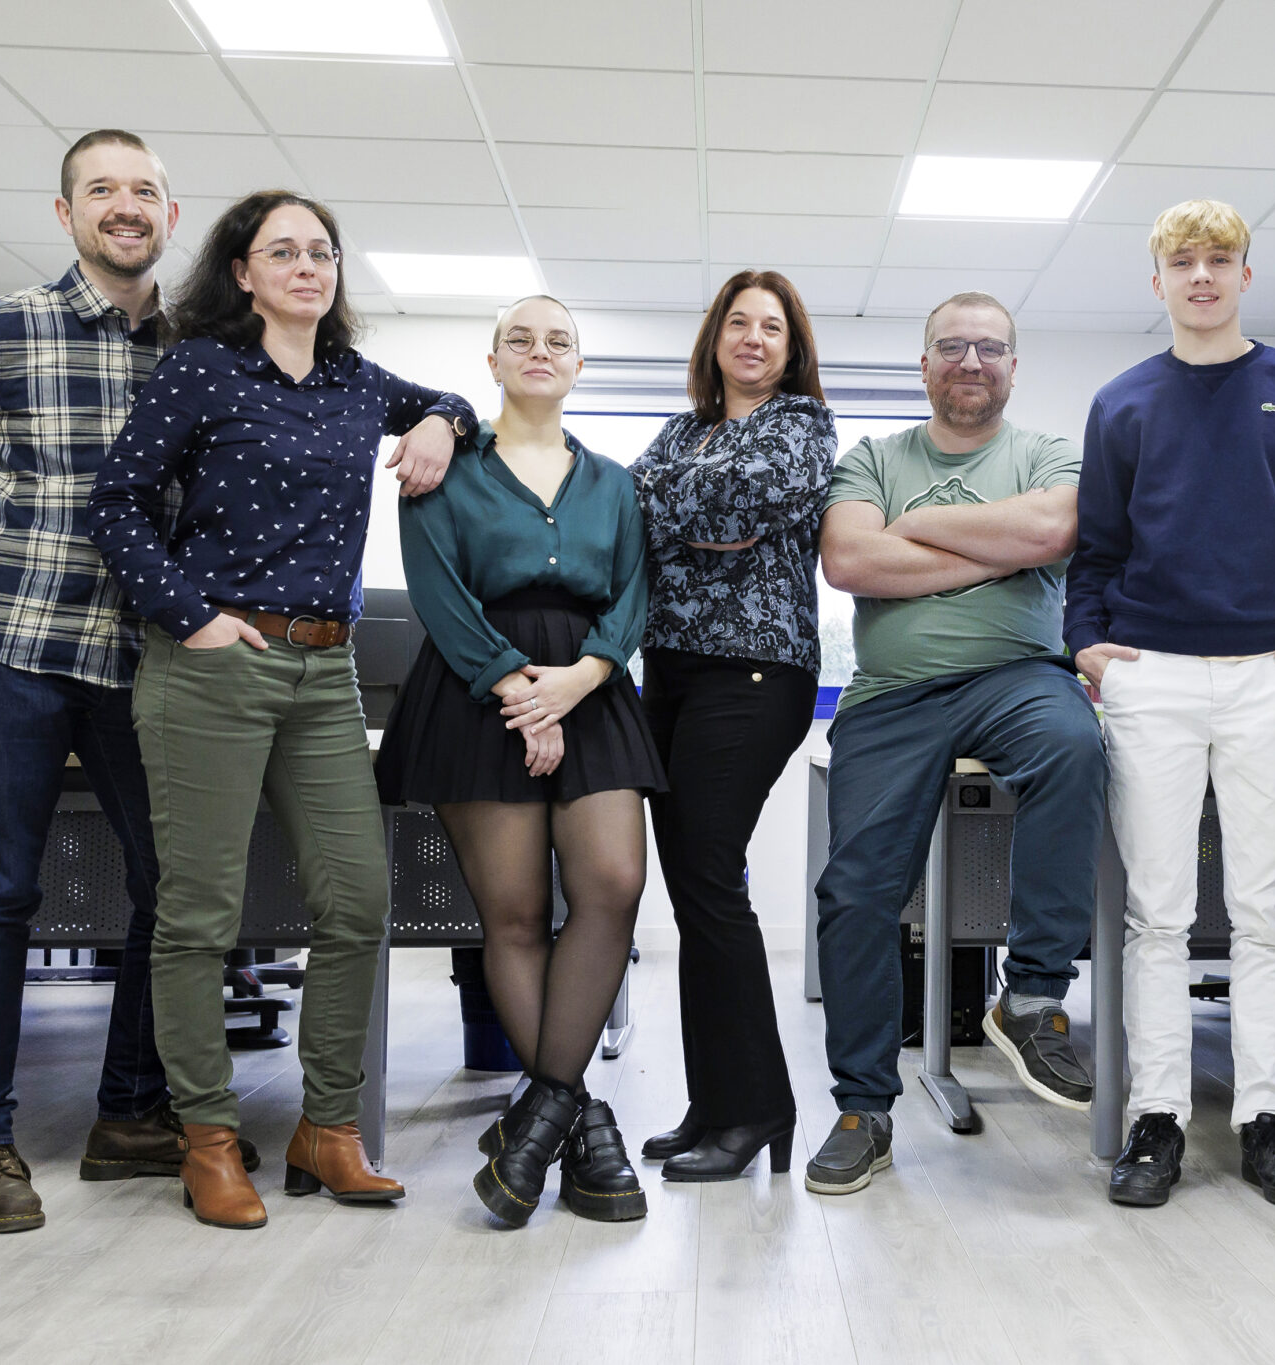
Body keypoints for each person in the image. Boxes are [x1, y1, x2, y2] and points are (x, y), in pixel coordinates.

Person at [0, 129, 253, 1234]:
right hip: (19, 647)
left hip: (146, 662)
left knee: (173, 892)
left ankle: (130, 1114)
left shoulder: (202, 347)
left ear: (172, 218)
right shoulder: (6, 325)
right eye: (102, 189)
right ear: (67, 211)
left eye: (147, 191)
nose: (126, 205)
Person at [87, 189, 472, 1230]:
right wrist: (191, 616)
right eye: (284, 251)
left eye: (323, 252)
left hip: (326, 674)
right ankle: (207, 1139)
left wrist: (437, 419)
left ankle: (327, 1129)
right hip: (216, 664)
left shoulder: (355, 381)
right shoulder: (203, 368)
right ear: (244, 272)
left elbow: (460, 404)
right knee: (199, 916)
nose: (309, 266)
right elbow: (113, 502)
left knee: (357, 903)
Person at [1068, 199, 1275, 1210]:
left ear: (1246, 273)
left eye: (1219, 259)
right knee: (1155, 915)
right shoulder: (1121, 403)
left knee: (1262, 915)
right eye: (1181, 262)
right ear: (1155, 282)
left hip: (1267, 680)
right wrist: (1089, 650)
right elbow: (1095, 554)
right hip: (1149, 675)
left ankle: (1263, 1117)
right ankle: (1156, 1120)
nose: (1201, 276)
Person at [375, 295, 661, 1227]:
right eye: (521, 339)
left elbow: (631, 595)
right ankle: (577, 1120)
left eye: (560, 341)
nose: (541, 351)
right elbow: (438, 590)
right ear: (491, 361)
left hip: (593, 686)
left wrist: (573, 685)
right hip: (473, 690)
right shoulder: (443, 469)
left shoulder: (616, 483)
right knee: (517, 912)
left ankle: (540, 1111)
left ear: (580, 368)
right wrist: (514, 690)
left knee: (614, 882)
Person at [808, 292, 1103, 1196]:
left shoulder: (1050, 453)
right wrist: (1000, 547)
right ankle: (864, 1106)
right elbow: (851, 562)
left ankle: (1034, 993)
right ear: (924, 364)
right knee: (856, 888)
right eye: (951, 346)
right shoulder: (871, 456)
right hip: (893, 695)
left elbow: (1055, 529)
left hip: (1019, 677)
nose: (970, 361)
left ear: (1014, 365)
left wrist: (918, 528)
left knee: (1075, 749)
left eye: (990, 347)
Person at [620, 271, 833, 1181]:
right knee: (694, 883)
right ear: (713, 339)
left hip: (758, 672)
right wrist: (693, 521)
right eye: (737, 323)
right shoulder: (680, 431)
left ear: (792, 347)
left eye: (771, 327)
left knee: (708, 876)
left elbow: (731, 507)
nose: (753, 338)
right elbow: (627, 516)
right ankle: (716, 1100)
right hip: (668, 674)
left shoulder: (802, 426)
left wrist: (692, 516)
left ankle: (758, 1108)